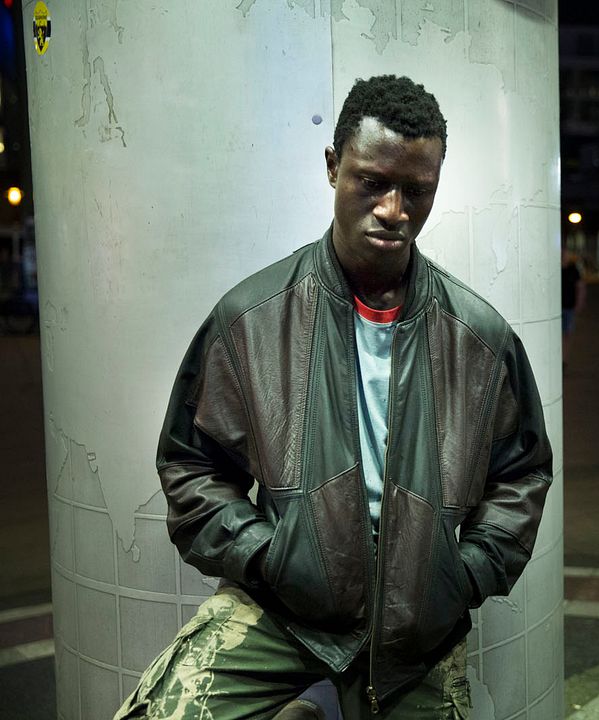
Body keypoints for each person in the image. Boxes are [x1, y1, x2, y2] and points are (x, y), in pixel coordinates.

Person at [115, 75, 553, 720]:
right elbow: (191, 464)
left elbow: (521, 474)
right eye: (373, 182)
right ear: (332, 167)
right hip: (286, 612)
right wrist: (268, 557)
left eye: (417, 190)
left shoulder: (479, 338)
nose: (394, 210)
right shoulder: (252, 319)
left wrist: (462, 575)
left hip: (415, 632)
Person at [561, 246, 586, 366]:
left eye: (565, 254)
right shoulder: (555, 268)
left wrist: (579, 303)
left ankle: (564, 359)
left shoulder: (573, 269)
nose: (563, 256)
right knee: (558, 335)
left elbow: (580, 287)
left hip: (569, 308)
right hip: (557, 309)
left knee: (567, 334)